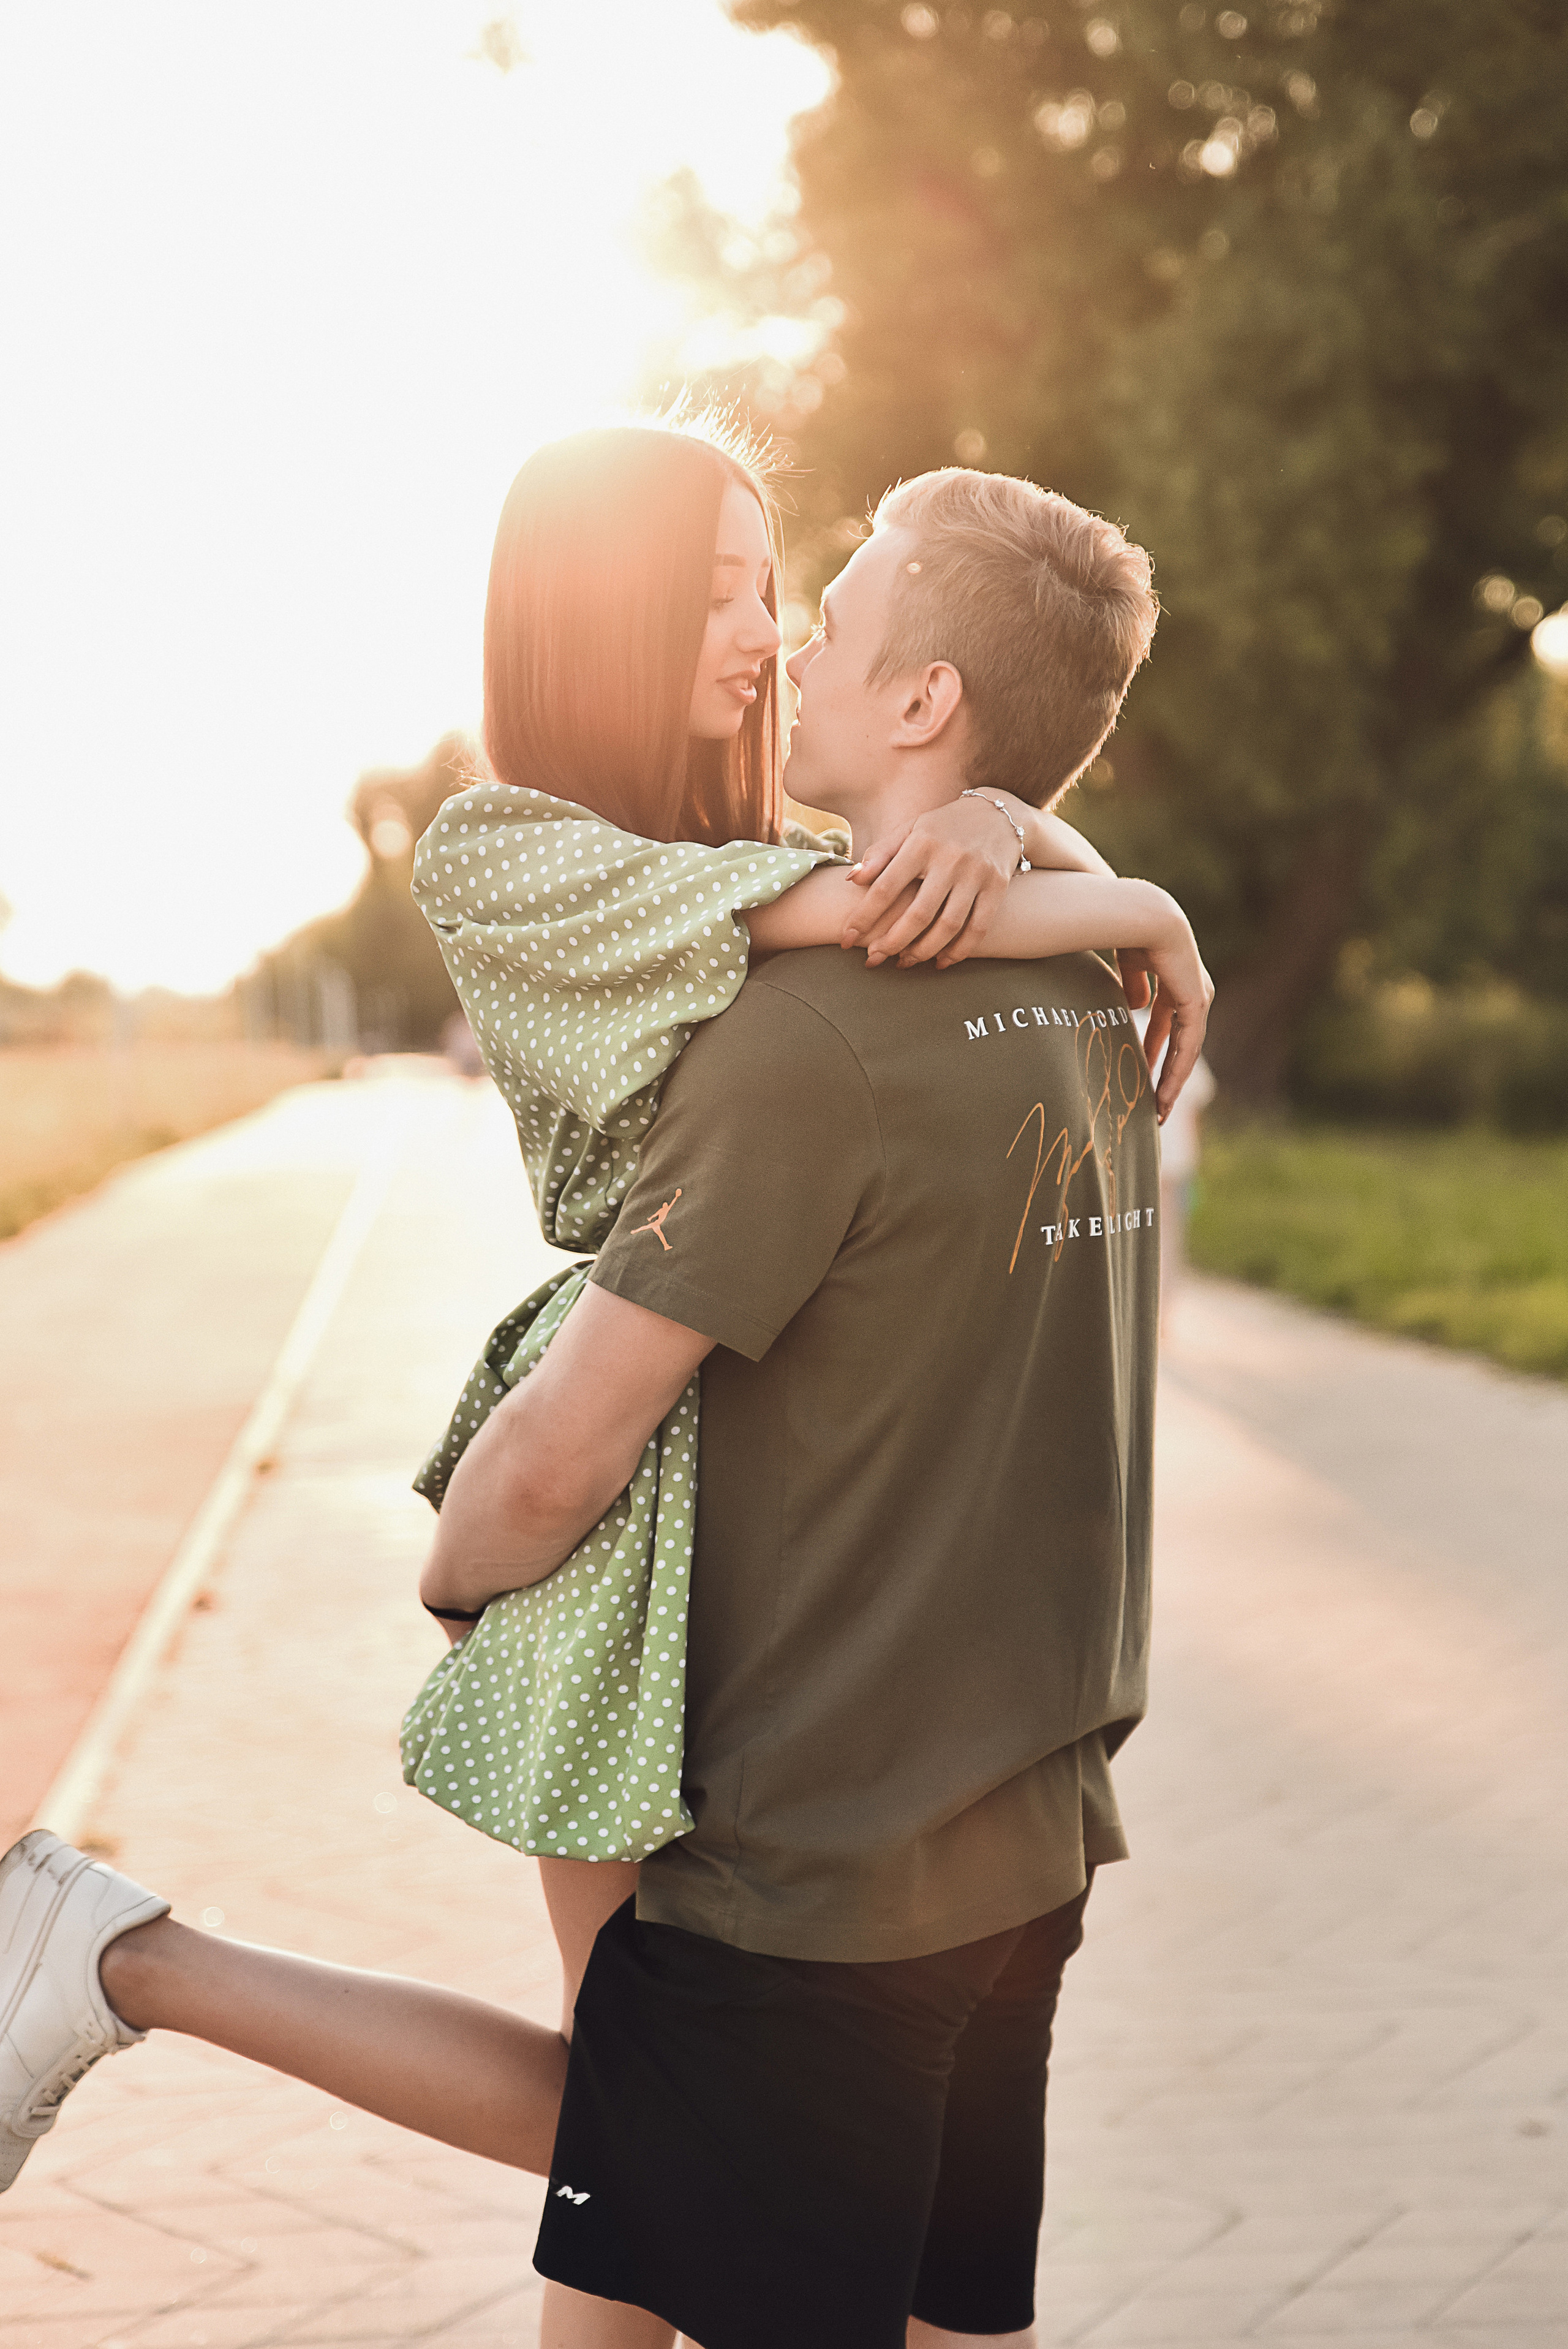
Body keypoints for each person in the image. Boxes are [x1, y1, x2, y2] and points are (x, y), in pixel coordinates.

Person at [0, 438, 1205, 2349]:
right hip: (611, 1479)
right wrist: (1112, 890)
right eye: (728, 586)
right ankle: (123, 1957)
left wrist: (1030, 837)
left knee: (640, 2127)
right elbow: (868, 924)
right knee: (647, 2113)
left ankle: (115, 1954)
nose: (771, 623)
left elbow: (901, 885)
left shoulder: (799, 857)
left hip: (711, 1452)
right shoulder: (524, 850)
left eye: (786, 581)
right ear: (613, 615)